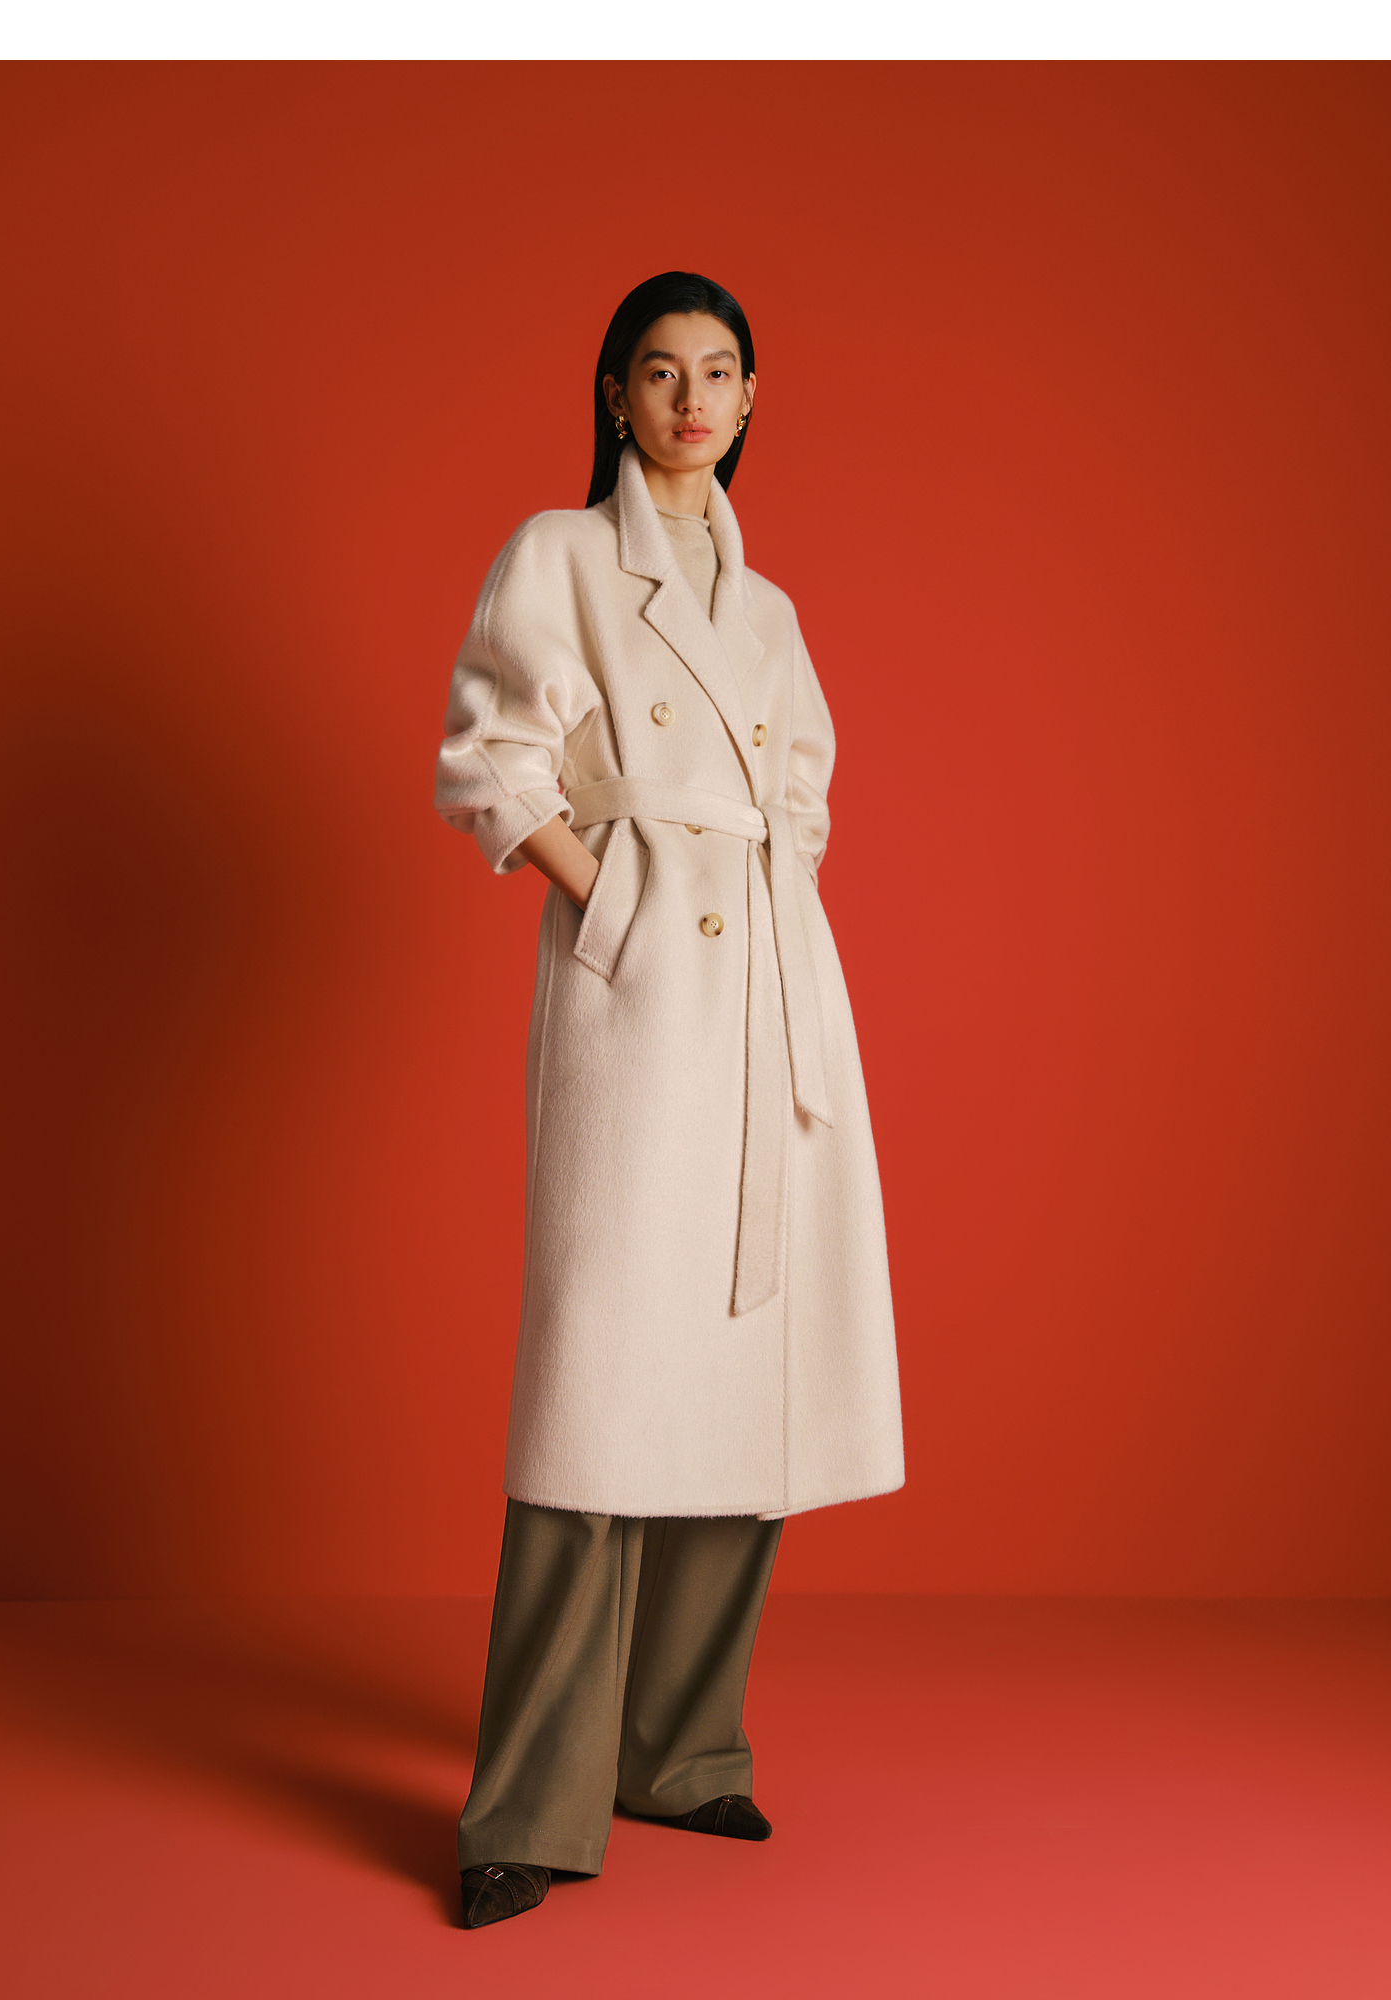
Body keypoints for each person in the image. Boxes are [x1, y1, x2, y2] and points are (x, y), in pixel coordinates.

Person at [433, 271, 903, 1929]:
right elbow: (488, 759)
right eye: (659, 371)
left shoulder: (766, 608)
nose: (691, 399)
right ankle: (530, 1806)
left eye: (719, 372)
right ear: (614, 396)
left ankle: (682, 1753)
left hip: (772, 995)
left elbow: (805, 792)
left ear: (754, 398)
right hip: (643, 996)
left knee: (743, 1362)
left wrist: (767, 902)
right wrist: (616, 901)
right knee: (600, 1380)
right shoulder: (559, 555)